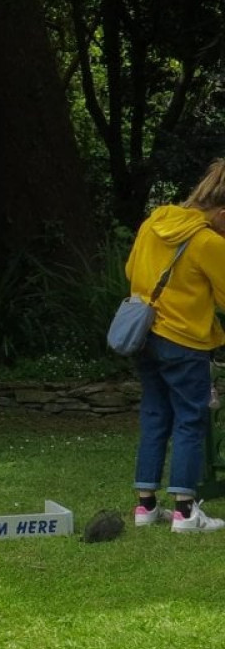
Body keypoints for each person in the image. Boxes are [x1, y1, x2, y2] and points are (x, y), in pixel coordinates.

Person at [127, 158, 225, 532]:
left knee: (155, 417)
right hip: (184, 341)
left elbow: (131, 272)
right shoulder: (206, 241)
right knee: (190, 419)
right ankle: (185, 511)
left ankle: (146, 507)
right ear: (221, 212)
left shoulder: (155, 222)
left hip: (145, 334)